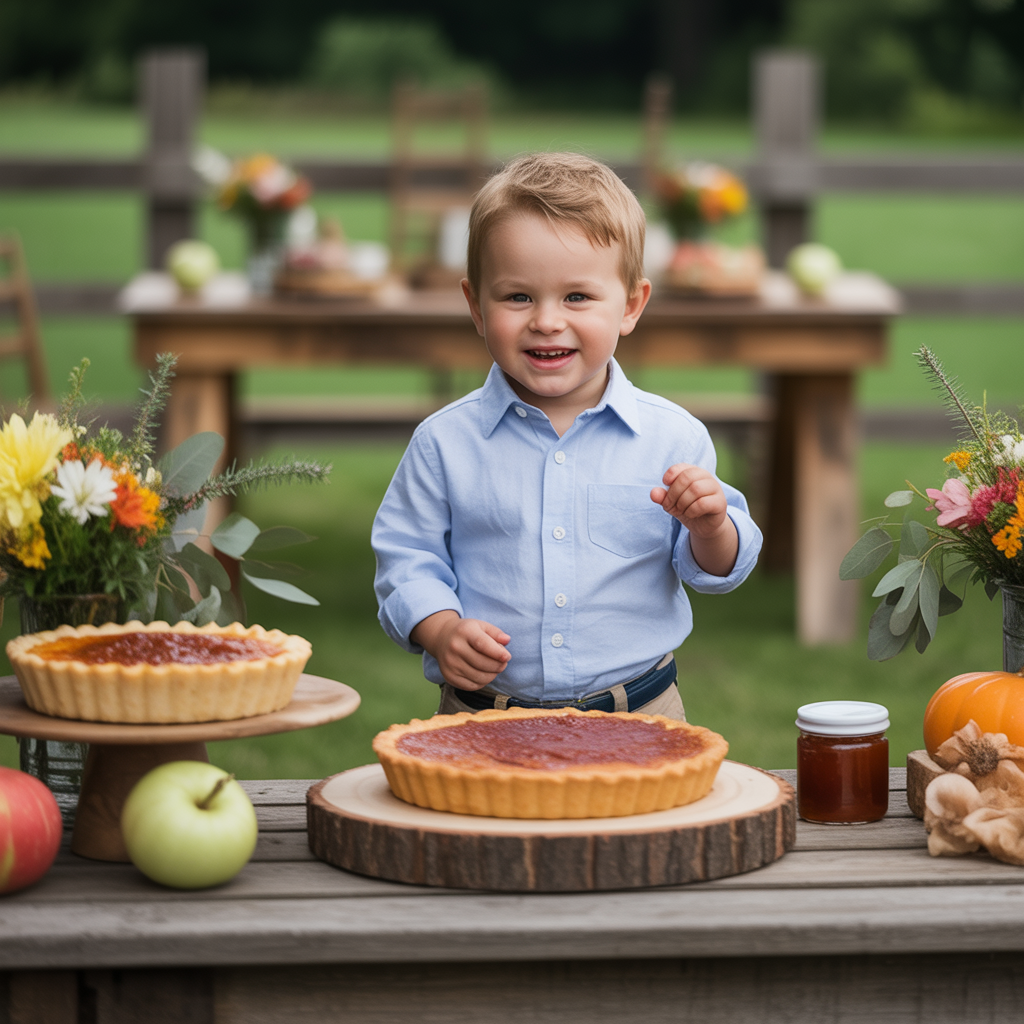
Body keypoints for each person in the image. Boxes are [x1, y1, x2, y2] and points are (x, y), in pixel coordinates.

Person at [372, 152, 762, 721]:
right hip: (484, 716)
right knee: (474, 815)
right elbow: (406, 559)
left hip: (640, 712)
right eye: (518, 297)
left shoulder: (672, 437)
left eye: (577, 296)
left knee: (648, 816)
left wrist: (711, 526)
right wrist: (440, 631)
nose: (547, 320)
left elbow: (715, 571)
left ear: (630, 305)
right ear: (475, 307)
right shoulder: (444, 444)